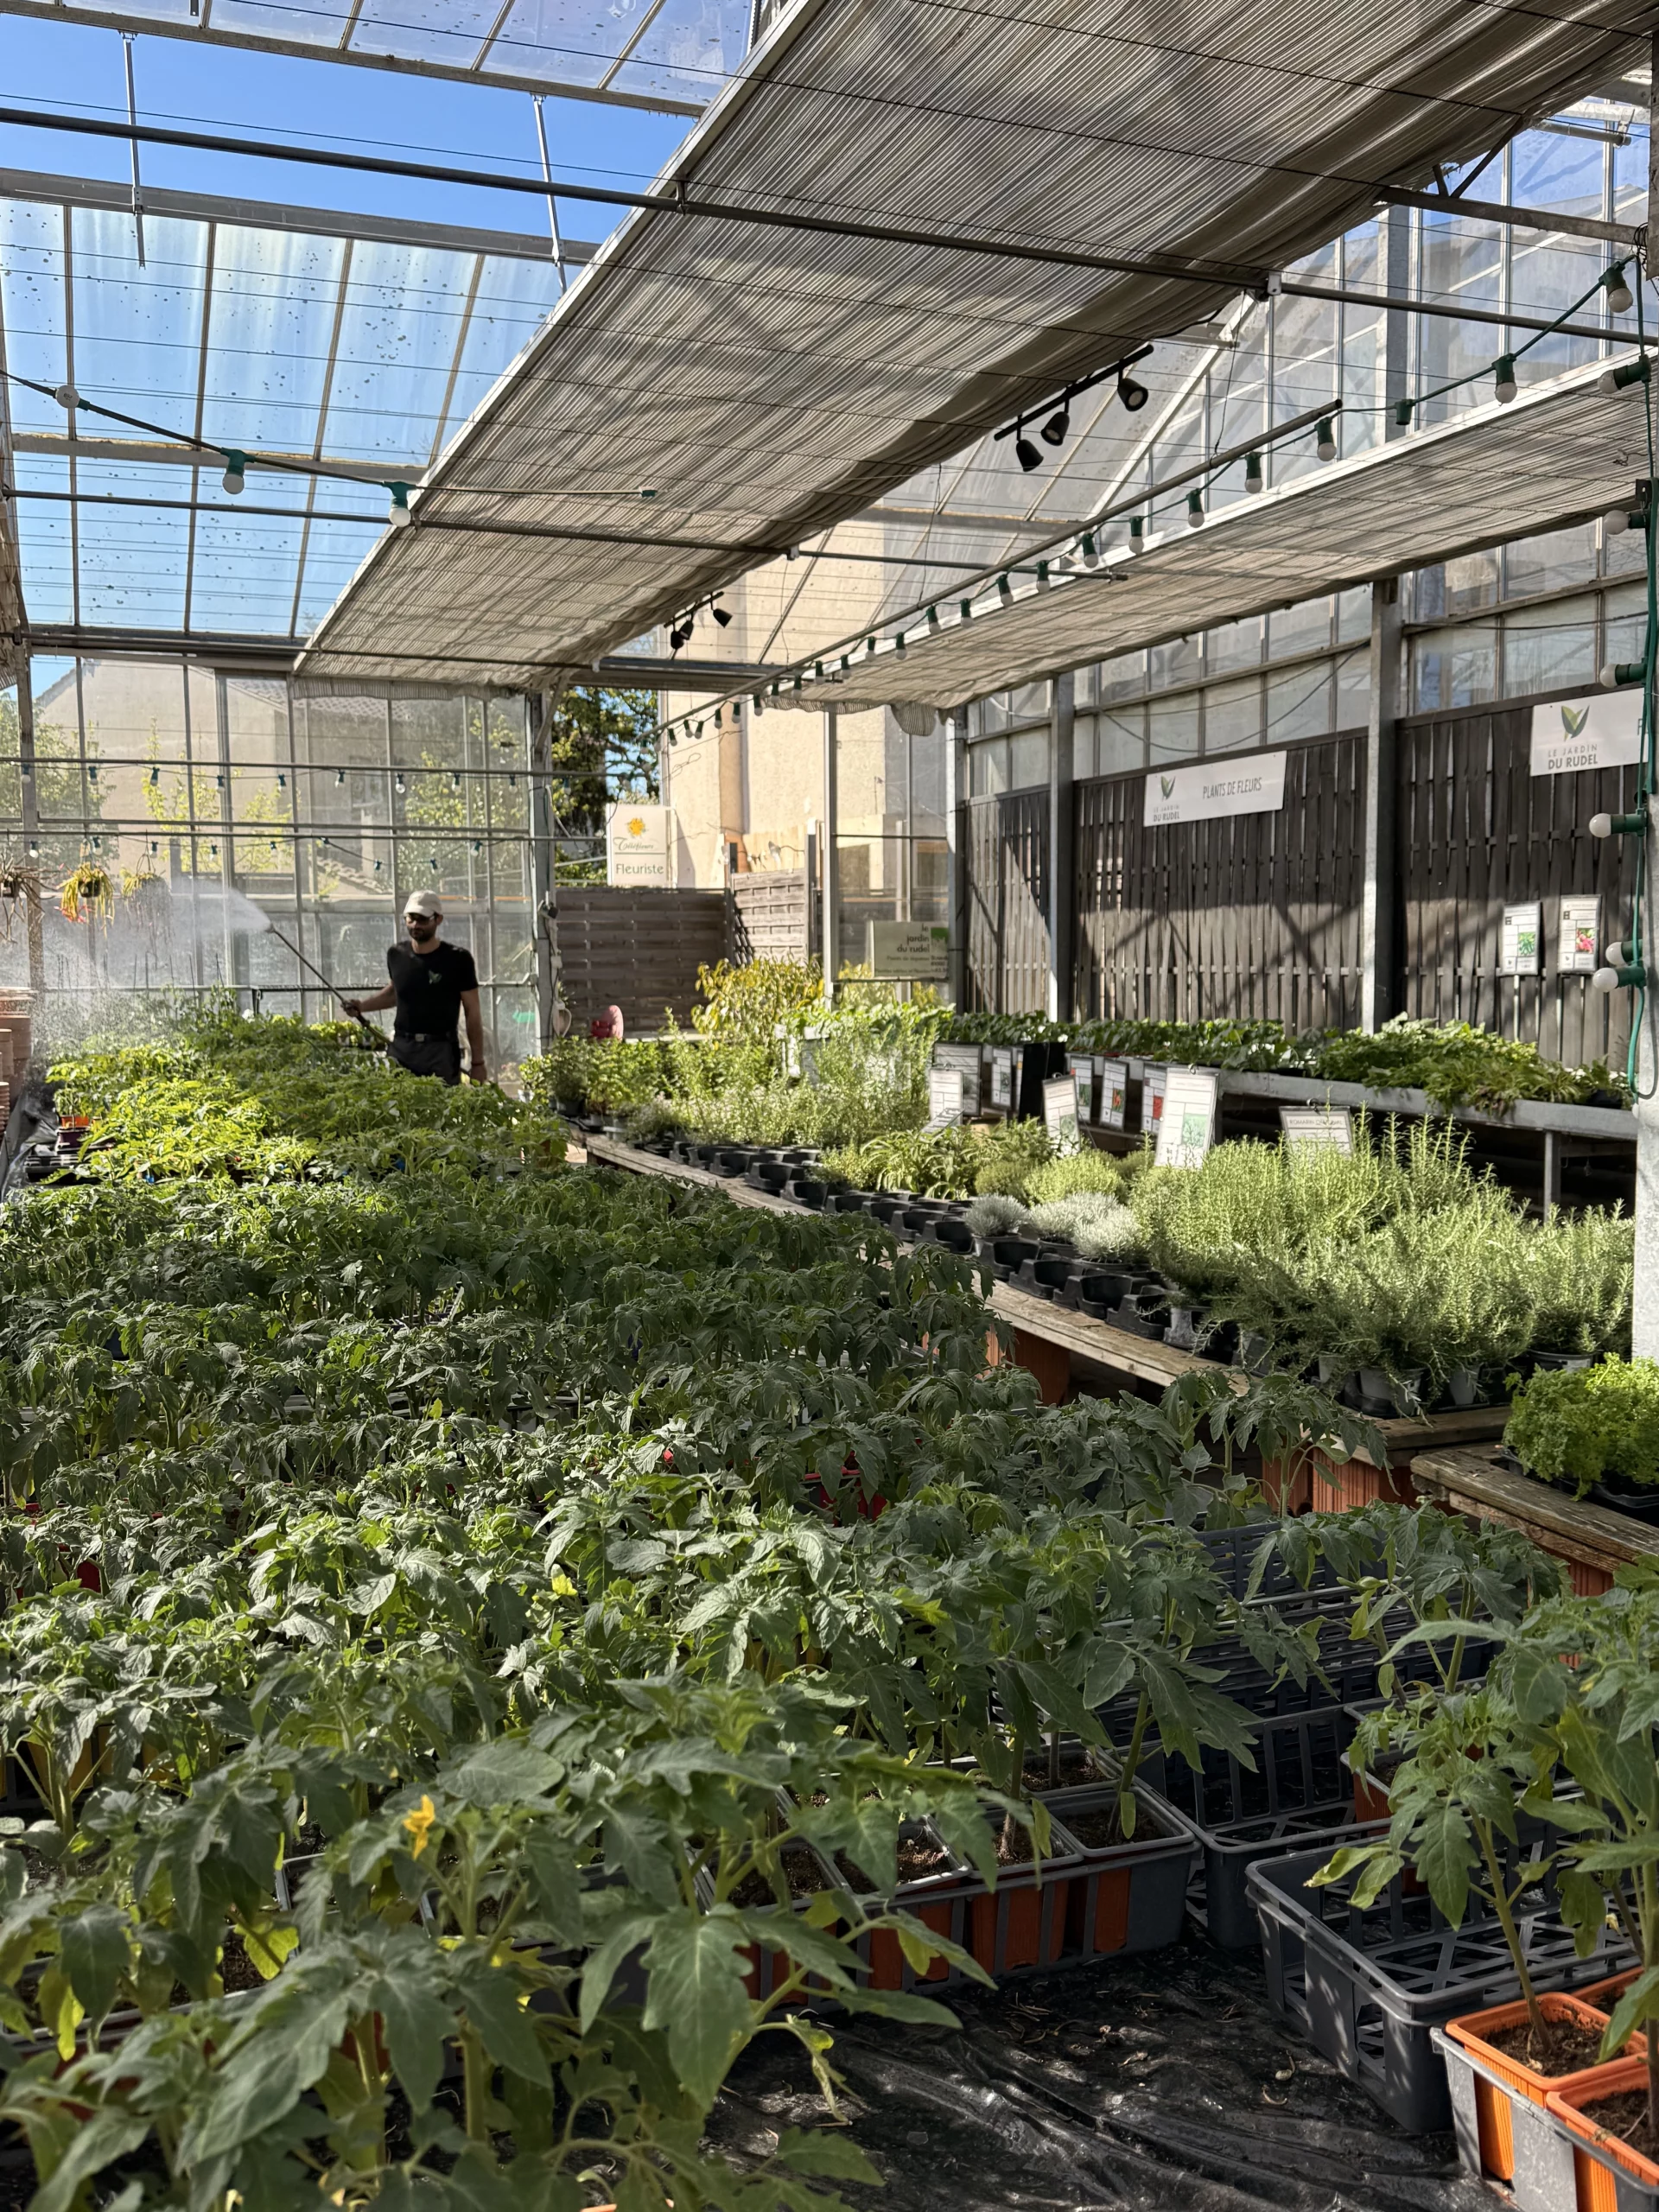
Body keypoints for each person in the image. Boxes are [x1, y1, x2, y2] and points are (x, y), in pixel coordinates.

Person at [342, 891, 487, 1085]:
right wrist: (361, 1006)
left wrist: (477, 1062)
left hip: (440, 1051)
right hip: (402, 1048)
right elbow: (396, 993)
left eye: (422, 919)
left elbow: (472, 1012)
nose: (415, 925)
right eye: (411, 918)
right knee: (400, 1107)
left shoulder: (458, 959)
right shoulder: (397, 954)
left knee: (442, 1108)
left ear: (438, 919)